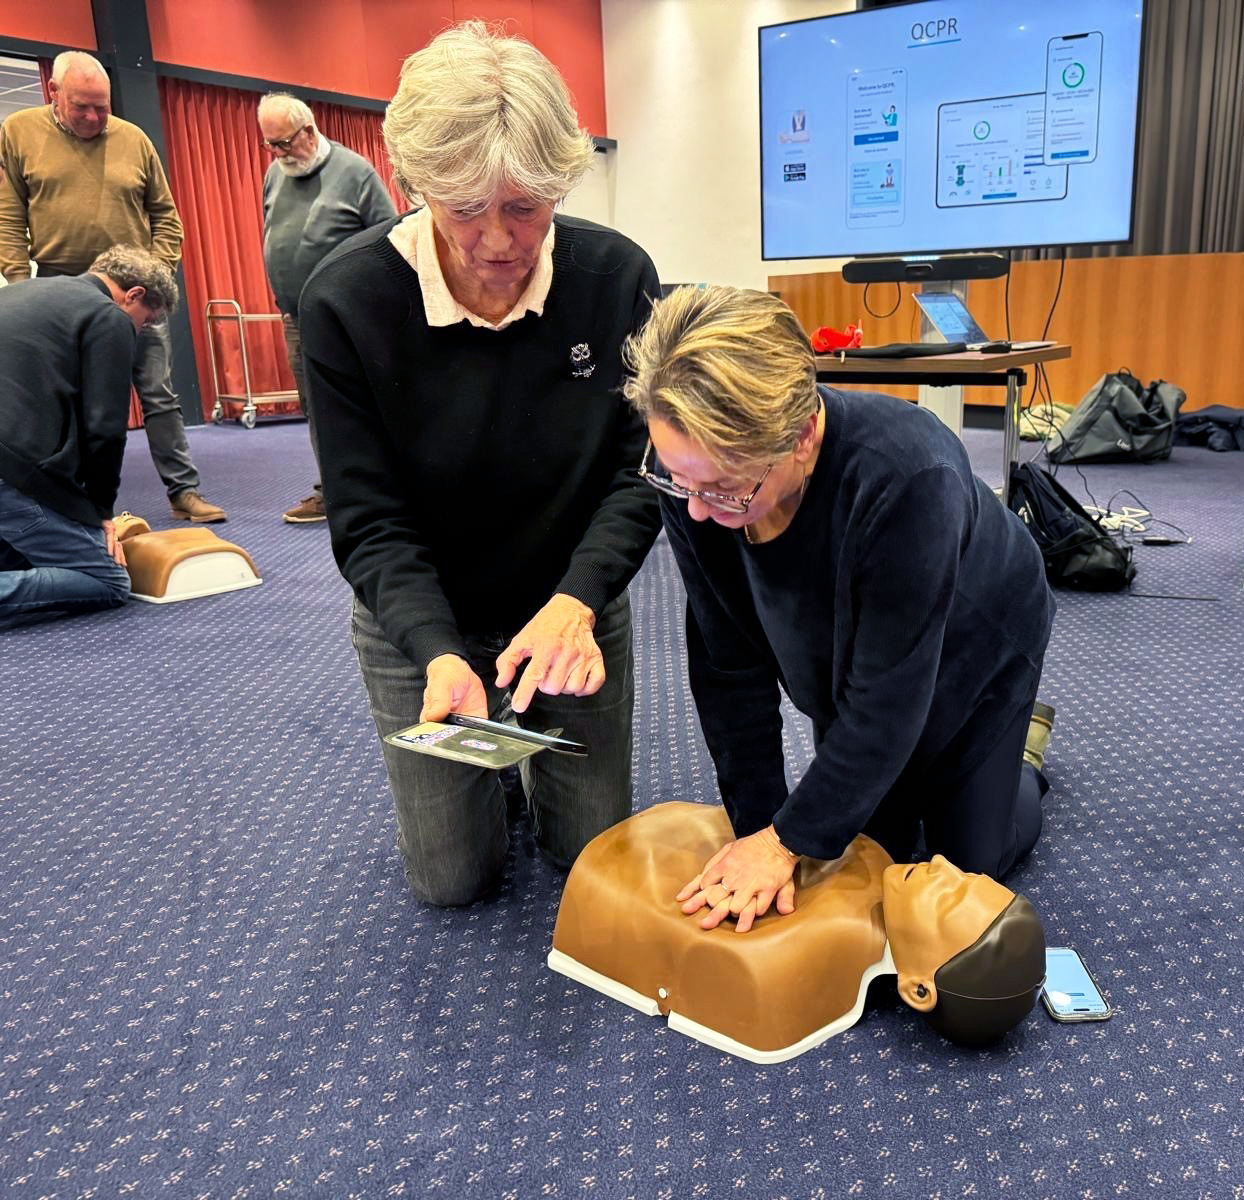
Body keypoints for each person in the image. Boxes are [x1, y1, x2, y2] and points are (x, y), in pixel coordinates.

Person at [299, 22, 662, 906]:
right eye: (465, 209)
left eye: (526, 206)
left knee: (590, 861)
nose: (500, 240)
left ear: (561, 184)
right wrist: (433, 649)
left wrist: (578, 601)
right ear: (413, 185)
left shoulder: (616, 278)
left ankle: (528, 745)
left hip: (568, 605)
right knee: (453, 881)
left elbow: (640, 470)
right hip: (424, 617)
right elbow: (368, 519)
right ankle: (486, 756)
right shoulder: (345, 300)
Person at [621, 285, 1055, 933]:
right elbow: (726, 662)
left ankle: (1020, 753)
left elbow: (887, 701)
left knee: (959, 864)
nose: (697, 513)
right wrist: (762, 830)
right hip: (845, 638)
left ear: (799, 438)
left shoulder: (907, 474)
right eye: (680, 482)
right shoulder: (698, 473)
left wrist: (787, 841)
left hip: (981, 632)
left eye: (723, 492)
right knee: (868, 845)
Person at [549, 802, 1045, 1057]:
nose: (939, 861)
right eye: (965, 877)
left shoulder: (791, 955)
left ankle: (1027, 768)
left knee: (993, 833)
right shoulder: (872, 856)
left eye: (952, 894)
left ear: (918, 989)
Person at [0, 50, 226, 524]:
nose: (93, 116)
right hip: (63, 288)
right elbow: (8, 215)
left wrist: (155, 273)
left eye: (102, 106)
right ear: (53, 94)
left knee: (159, 394)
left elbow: (166, 216)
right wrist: (22, 286)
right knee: (73, 400)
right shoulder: (17, 132)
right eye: (82, 106)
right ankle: (74, 503)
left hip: (134, 291)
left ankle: (183, 491)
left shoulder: (134, 139)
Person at [0, 245, 179, 629]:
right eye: (145, 322)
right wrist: (101, 513)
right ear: (134, 295)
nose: (140, 331)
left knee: (21, 557)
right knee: (107, 580)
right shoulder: (108, 316)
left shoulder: (19, 293)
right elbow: (104, 428)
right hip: (8, 471)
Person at [257, 92, 396, 523]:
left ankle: (383, 489)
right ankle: (335, 492)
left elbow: (388, 242)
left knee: (361, 404)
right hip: (298, 317)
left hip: (351, 318)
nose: (277, 153)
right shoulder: (275, 174)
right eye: (269, 144)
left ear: (309, 131)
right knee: (315, 408)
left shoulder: (355, 173)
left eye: (283, 144)